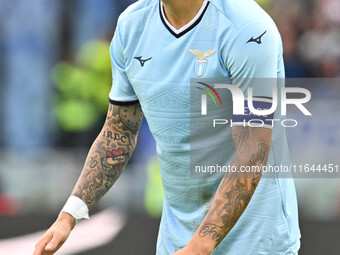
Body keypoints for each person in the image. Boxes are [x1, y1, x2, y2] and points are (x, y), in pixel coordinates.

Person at [33, 0, 301, 254]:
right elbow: (120, 131)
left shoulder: (249, 28)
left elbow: (254, 147)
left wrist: (201, 244)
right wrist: (70, 214)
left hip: (257, 240)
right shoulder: (130, 26)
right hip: (178, 239)